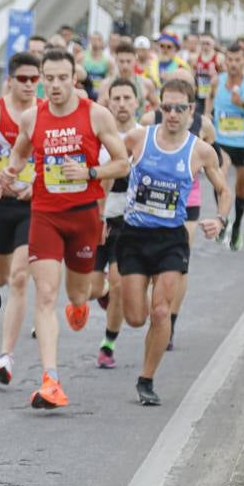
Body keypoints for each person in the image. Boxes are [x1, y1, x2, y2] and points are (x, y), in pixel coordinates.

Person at [1, 49, 131, 409]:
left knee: (78, 293)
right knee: (44, 295)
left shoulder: (95, 115)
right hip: (44, 215)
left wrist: (90, 173)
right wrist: (9, 173)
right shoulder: (33, 117)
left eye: (62, 78)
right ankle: (51, 379)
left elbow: (121, 164)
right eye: (49, 78)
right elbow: (19, 154)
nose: (55, 85)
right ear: (43, 78)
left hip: (83, 215)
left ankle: (83, 303)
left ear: (75, 78)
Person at [119, 78, 231, 405]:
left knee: (160, 311)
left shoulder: (200, 150)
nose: (171, 114)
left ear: (191, 110)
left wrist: (219, 219)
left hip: (171, 239)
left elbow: (223, 190)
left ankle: (146, 379)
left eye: (179, 108)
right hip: (134, 235)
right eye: (166, 107)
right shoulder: (139, 138)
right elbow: (110, 161)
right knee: (136, 317)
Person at [0, 52, 40, 386]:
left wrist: (37, 184)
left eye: (34, 79)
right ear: (10, 80)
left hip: (32, 206)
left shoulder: (44, 115)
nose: (29, 85)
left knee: (18, 278)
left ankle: (5, 357)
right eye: (23, 79)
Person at [94, 77, 140, 368]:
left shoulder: (145, 136)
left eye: (127, 98)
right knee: (91, 289)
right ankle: (104, 295)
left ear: (137, 102)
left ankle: (107, 344)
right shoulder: (98, 135)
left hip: (130, 221)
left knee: (120, 283)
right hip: (99, 218)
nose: (122, 104)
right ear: (108, 102)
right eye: (117, 98)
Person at [211, 45, 244, 250]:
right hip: (222, 141)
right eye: (230, 60)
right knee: (220, 178)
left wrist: (242, 104)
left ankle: (237, 226)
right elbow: (209, 108)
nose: (233, 64)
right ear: (225, 61)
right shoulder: (217, 82)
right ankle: (222, 219)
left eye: (237, 60)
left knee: (241, 189)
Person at [191, 33, 223, 118]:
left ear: (213, 43)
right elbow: (192, 75)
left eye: (207, 43)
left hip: (214, 95)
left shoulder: (219, 57)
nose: (205, 46)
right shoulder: (195, 58)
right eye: (203, 43)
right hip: (199, 94)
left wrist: (217, 75)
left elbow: (225, 76)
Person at [81, 32, 116, 101]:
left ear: (102, 42)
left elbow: (112, 77)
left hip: (100, 94)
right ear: (90, 41)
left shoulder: (108, 60)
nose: (95, 42)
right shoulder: (82, 57)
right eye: (93, 39)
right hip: (85, 92)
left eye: (98, 40)